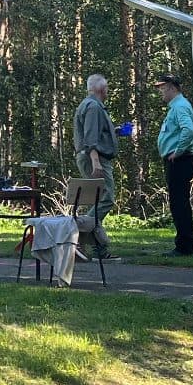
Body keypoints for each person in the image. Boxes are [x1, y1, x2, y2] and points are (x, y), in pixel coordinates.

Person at [71, 73, 117, 254]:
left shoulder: (91, 106)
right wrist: (96, 162)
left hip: (92, 156)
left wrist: (113, 133)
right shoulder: (93, 107)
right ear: (100, 89)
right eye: (106, 88)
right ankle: (77, 234)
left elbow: (95, 133)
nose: (107, 91)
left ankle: (99, 246)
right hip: (95, 159)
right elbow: (90, 139)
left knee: (97, 201)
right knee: (106, 199)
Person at [155, 73, 193, 257]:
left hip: (180, 160)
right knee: (178, 202)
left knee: (179, 203)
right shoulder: (176, 107)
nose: (161, 93)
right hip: (178, 160)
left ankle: (185, 246)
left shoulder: (180, 106)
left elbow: (189, 130)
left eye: (163, 89)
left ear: (172, 87)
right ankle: (184, 243)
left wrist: (178, 151)